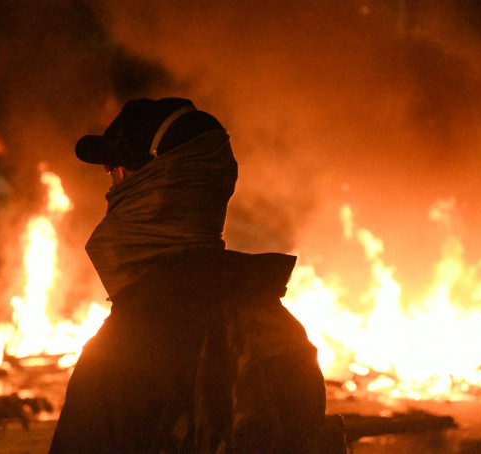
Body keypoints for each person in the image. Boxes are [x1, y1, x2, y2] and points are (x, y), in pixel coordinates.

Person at [49, 98, 326, 453]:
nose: (111, 191)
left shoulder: (124, 352)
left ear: (157, 189)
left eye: (117, 173)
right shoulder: (279, 328)